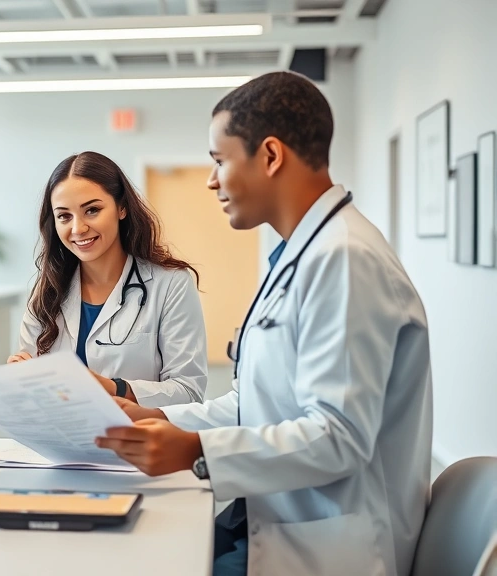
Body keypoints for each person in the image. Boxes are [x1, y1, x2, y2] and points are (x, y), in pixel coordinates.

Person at [96, 71, 433, 576]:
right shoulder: (302, 254)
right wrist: (166, 421)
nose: (212, 180)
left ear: (271, 156)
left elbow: (337, 434)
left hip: (333, 543)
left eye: (219, 160)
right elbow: (263, 404)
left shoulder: (343, 258)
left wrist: (196, 449)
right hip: (275, 515)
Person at [8, 151, 207, 408]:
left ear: (121, 207)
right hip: (60, 442)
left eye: (92, 210)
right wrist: (19, 379)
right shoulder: (47, 291)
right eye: (64, 216)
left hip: (135, 442)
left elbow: (189, 391)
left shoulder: (170, 284)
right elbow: (32, 389)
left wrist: (115, 388)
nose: (78, 228)